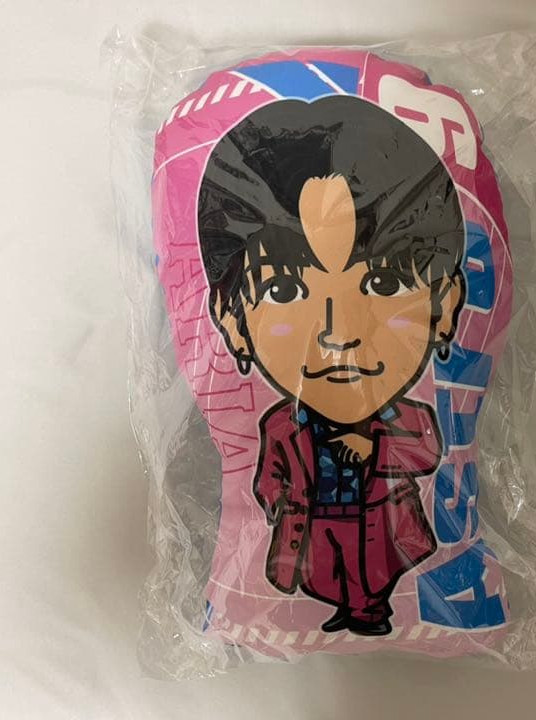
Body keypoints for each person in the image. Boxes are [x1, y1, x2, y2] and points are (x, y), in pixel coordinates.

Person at [197, 95, 465, 636]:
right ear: (232, 321)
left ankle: (370, 611)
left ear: (444, 306)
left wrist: (374, 449)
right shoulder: (282, 424)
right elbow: (269, 475)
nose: (339, 335)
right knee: (328, 573)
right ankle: (344, 607)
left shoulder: (402, 418)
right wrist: (281, 500)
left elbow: (426, 448)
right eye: (285, 290)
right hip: (317, 524)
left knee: (371, 572)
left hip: (380, 522)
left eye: (383, 284)